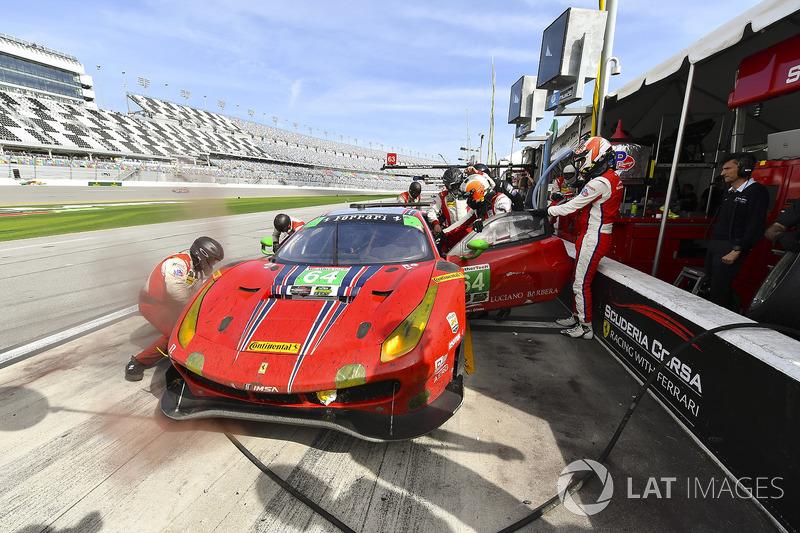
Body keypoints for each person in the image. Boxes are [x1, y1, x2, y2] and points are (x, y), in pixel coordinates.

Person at [544, 136, 624, 339]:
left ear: (595, 156)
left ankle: (585, 326)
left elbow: (574, 205)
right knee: (577, 280)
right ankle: (577, 315)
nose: (580, 165)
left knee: (580, 283)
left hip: (594, 237)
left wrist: (549, 211)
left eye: (582, 160)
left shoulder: (600, 182)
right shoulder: (612, 178)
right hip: (594, 235)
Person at [125, 236, 224, 381]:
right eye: (212, 260)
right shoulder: (177, 264)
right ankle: (138, 362)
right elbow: (176, 293)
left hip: (167, 304)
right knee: (175, 333)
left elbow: (193, 295)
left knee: (198, 325)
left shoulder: (195, 269)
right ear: (202, 256)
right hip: (152, 305)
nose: (213, 264)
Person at [704, 153, 769, 311]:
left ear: (744, 169)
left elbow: (756, 226)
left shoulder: (757, 191)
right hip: (716, 245)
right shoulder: (730, 192)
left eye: (727, 168)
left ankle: (719, 326)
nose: (722, 173)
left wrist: (737, 250)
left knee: (720, 291)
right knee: (711, 286)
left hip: (731, 247)